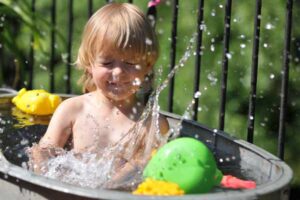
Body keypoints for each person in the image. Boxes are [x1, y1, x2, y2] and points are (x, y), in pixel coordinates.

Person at [29, 2, 169, 189]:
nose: (118, 72)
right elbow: (43, 152)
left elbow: (149, 173)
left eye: (130, 63)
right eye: (107, 62)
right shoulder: (73, 110)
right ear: (89, 62)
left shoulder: (152, 124)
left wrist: (107, 188)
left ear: (148, 65)